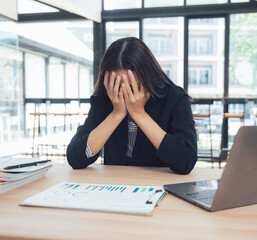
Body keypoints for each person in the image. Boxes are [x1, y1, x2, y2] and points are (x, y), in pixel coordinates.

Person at [66, 37, 197, 174]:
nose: (125, 94)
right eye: (117, 86)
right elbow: (75, 158)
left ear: (149, 78)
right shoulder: (104, 100)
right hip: (117, 185)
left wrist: (140, 114)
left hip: (159, 185)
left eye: (133, 86)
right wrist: (116, 114)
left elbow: (186, 162)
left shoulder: (174, 98)